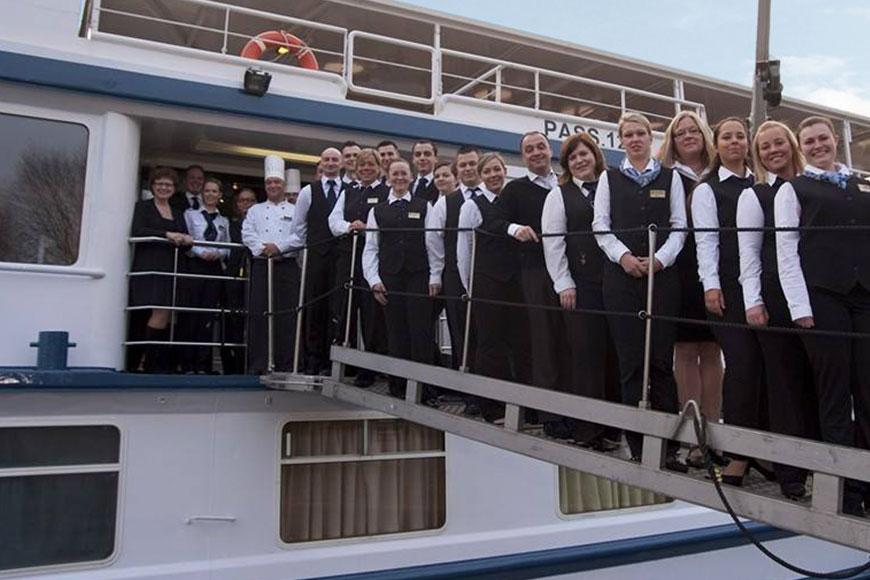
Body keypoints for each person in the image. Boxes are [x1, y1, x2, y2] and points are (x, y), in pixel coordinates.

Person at [775, 116, 870, 516]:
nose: (818, 146)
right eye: (809, 141)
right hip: (823, 298)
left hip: (865, 297)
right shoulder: (792, 189)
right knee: (834, 396)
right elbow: (786, 251)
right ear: (802, 147)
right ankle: (844, 492)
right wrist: (799, 308)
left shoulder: (860, 184)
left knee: (868, 392)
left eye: (823, 138)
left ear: (835, 140)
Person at [592, 112, 687, 469]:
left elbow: (679, 226)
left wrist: (660, 259)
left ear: (650, 137)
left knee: (661, 363)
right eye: (628, 134)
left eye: (640, 134)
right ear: (621, 141)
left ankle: (669, 448)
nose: (634, 139)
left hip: (662, 279)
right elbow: (600, 226)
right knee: (631, 363)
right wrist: (624, 257)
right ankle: (637, 445)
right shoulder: (609, 178)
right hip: (621, 279)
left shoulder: (671, 177)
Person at [736, 120, 816, 499]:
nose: (773, 151)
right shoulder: (755, 196)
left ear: (792, 144)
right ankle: (791, 472)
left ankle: (825, 463)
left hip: (820, 295)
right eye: (765, 147)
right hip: (775, 297)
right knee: (784, 384)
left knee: (821, 381)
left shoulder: (813, 186)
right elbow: (749, 253)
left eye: (778, 143)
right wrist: (753, 300)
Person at [692, 116, 768, 485]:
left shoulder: (762, 183)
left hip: (765, 286)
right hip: (729, 287)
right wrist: (711, 285)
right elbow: (705, 240)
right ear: (717, 144)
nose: (734, 142)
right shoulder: (708, 190)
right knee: (742, 364)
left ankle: (768, 450)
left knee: (770, 367)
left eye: (740, 136)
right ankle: (739, 453)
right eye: (727, 137)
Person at [487, 131, 572, 437]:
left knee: (572, 341)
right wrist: (515, 229)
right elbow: (493, 221)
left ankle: (577, 411)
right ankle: (551, 416)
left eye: (540, 147)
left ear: (550, 150)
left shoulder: (566, 183)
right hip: (536, 272)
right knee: (544, 341)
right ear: (523, 157)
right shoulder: (515, 190)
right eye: (529, 149)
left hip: (572, 271)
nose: (536, 153)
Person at [542, 133, 620, 449]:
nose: (579, 160)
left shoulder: (612, 188)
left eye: (584, 154)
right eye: (572, 157)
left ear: (595, 156)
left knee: (615, 355)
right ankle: (589, 431)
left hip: (615, 284)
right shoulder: (558, 196)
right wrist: (564, 282)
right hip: (581, 285)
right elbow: (553, 242)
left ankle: (615, 428)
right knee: (587, 356)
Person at [657, 111, 723, 467]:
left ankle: (715, 434)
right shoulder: (668, 177)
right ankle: (693, 436)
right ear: (673, 139)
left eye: (693, 130)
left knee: (713, 350)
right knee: (685, 350)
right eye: (680, 132)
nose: (687, 136)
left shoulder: (718, 173)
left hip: (716, 268)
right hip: (680, 269)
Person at [457, 153, 531, 421]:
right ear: (481, 176)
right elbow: (464, 248)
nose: (493, 175)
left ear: (504, 170)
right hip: (487, 282)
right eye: (487, 171)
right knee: (490, 344)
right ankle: (491, 406)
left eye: (497, 169)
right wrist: (468, 286)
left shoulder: (511, 201)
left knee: (520, 342)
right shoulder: (472, 206)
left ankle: (523, 405)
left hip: (516, 281)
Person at [362, 158, 436, 398]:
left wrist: (435, 276)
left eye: (404, 173)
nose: (400, 177)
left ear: (411, 177)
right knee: (396, 333)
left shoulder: (424, 206)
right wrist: (373, 280)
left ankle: (425, 390)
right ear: (388, 178)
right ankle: (398, 387)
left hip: (419, 275)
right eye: (395, 174)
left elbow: (432, 244)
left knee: (421, 332)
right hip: (390, 277)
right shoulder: (377, 211)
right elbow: (371, 247)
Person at [328, 148, 390, 386]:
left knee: (371, 313)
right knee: (343, 308)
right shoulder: (348, 192)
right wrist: (349, 226)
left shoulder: (386, 192)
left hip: (373, 257)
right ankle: (344, 363)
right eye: (362, 164)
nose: (366, 168)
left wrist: (368, 227)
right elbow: (333, 221)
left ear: (379, 168)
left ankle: (370, 369)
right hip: (348, 256)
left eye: (370, 164)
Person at [129, 166, 192, 372]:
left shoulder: (178, 212)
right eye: (160, 184)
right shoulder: (143, 207)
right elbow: (138, 230)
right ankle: (139, 362)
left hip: (170, 267)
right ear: (153, 186)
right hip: (150, 266)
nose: (164, 188)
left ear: (174, 188)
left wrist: (187, 239)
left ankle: (152, 362)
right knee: (147, 314)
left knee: (164, 313)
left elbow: (184, 239)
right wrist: (166, 234)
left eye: (168, 184)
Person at [242, 155, 300, 374]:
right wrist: (264, 249)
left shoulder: (294, 211)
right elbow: (247, 234)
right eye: (269, 182)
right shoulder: (255, 210)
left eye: (276, 182)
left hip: (287, 266)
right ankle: (259, 364)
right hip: (261, 265)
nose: (273, 186)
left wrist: (279, 248)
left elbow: (300, 236)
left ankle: (286, 364)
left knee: (287, 315)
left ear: (283, 185)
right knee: (259, 313)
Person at [427, 147, 482, 370]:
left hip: (488, 275)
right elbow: (433, 240)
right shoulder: (445, 203)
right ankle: (464, 379)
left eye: (472, 163)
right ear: (457, 170)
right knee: (459, 329)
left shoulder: (494, 195)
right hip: (454, 276)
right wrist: (436, 274)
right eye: (463, 165)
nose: (468, 168)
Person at [291, 147, 343, 375]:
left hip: (341, 258)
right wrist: (306, 253)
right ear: (321, 163)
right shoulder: (307, 192)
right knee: (315, 308)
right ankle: (313, 358)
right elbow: (299, 227)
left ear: (341, 163)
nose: (330, 163)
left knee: (337, 309)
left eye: (335, 159)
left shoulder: (349, 190)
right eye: (327, 159)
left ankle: (335, 359)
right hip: (316, 258)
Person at [182, 177, 230, 373]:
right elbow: (186, 239)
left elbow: (227, 247)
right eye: (207, 191)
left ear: (219, 195)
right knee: (191, 313)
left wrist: (218, 253)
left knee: (208, 316)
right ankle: (187, 363)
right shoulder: (190, 215)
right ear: (202, 194)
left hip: (214, 268)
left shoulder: (223, 221)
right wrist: (201, 252)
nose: (210, 194)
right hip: (195, 265)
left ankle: (203, 364)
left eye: (214, 191)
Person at [221, 187, 257, 374]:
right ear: (236, 205)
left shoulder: (260, 224)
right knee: (232, 320)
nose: (246, 204)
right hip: (234, 275)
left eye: (250, 200)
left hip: (255, 275)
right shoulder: (232, 225)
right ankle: (230, 366)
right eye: (243, 201)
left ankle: (249, 364)